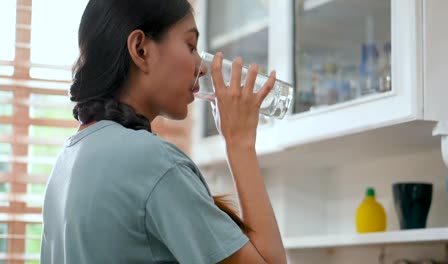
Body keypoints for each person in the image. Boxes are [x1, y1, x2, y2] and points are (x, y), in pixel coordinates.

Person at [40, 0, 286, 263]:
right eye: (190, 46)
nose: (201, 67)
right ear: (141, 49)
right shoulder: (152, 163)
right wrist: (239, 143)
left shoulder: (64, 164)